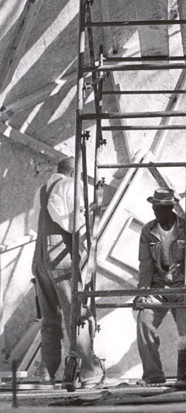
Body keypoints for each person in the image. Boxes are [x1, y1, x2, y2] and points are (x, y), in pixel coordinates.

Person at [31, 157, 104, 388]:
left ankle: (46, 371)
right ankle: (89, 370)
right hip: (60, 257)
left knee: (50, 319)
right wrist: (90, 215)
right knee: (77, 315)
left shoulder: (41, 191)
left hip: (39, 258)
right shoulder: (70, 186)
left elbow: (35, 224)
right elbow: (75, 226)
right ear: (73, 173)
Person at [134, 187, 186, 387]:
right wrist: (142, 293)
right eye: (154, 208)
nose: (155, 213)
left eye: (159, 209)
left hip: (181, 285)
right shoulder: (148, 230)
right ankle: (153, 376)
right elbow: (145, 265)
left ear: (170, 208)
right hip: (158, 287)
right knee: (144, 321)